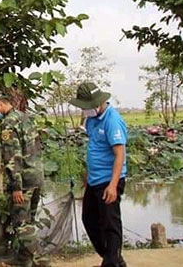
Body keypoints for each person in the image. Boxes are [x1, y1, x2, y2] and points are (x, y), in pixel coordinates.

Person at [69, 82, 128, 267]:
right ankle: (112, 259)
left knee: (110, 223)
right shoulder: (91, 120)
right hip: (94, 180)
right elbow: (94, 148)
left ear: (98, 102)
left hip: (109, 180)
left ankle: (111, 262)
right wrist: (88, 175)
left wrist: (113, 185)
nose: (85, 111)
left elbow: (120, 154)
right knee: (89, 219)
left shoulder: (112, 120)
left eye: (87, 107)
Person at [0, 90, 45, 267]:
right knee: (29, 221)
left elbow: (13, 157)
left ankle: (42, 262)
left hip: (24, 180)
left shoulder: (8, 123)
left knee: (22, 225)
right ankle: (23, 260)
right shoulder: (24, 117)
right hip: (37, 175)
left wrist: (16, 186)